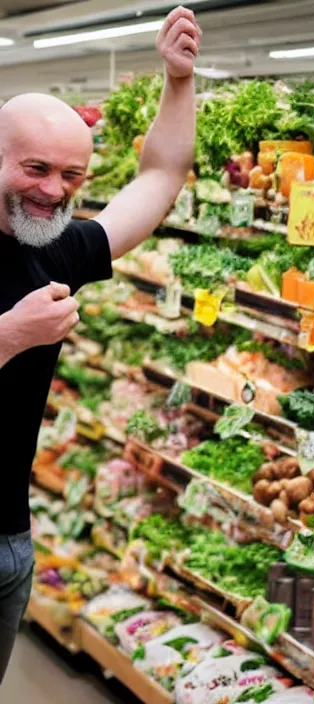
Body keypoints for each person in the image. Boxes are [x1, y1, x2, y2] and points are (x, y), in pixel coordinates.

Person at [0, 6, 200, 681]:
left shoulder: (56, 247)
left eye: (71, 178)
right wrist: (9, 336)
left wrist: (177, 81)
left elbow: (159, 177)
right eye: (36, 168)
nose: (53, 192)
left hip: (10, 537)